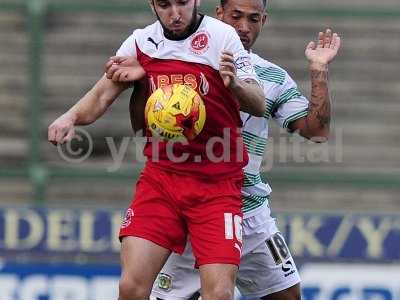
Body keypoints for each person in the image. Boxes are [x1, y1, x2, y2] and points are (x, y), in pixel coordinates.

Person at [107, 0, 341, 299]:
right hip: (193, 206)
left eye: (253, 19)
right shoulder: (176, 63)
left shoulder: (271, 78)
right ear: (218, 14)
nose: (243, 27)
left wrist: (319, 70)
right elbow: (144, 133)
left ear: (264, 21)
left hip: (249, 210)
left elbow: (317, 132)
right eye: (236, 16)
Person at [49, 1, 266, 300]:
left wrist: (236, 85)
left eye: (182, 3)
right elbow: (101, 95)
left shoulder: (222, 37)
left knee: (219, 294)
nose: (175, 13)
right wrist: (70, 117)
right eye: (164, 4)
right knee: (131, 287)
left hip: (216, 185)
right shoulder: (141, 42)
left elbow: (259, 102)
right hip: (162, 180)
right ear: (152, 4)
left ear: (196, 1)